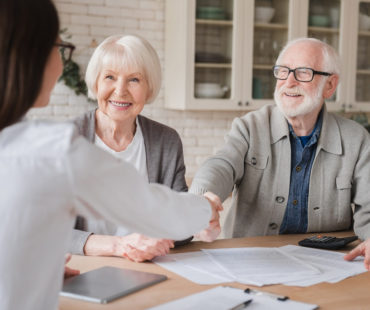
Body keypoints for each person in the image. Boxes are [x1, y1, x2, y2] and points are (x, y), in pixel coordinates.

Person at [0, 0, 222, 309]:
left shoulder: (27, 146)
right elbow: (148, 206)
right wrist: (205, 208)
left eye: (134, 79)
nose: (61, 61)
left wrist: (32, 268)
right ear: (30, 55)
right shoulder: (53, 149)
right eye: (59, 47)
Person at [190, 37, 370, 270]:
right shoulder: (250, 126)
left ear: (330, 85)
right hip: (253, 260)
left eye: (303, 73)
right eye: (283, 71)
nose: (289, 82)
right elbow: (222, 164)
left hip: (329, 265)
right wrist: (202, 198)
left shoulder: (357, 139)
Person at [69, 34, 211, 263]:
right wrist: (119, 246)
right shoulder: (66, 140)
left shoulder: (166, 141)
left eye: (134, 79)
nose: (120, 90)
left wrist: (198, 217)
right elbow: (44, 230)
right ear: (96, 83)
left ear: (148, 87)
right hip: (83, 268)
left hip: (151, 267)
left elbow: (181, 228)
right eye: (110, 77)